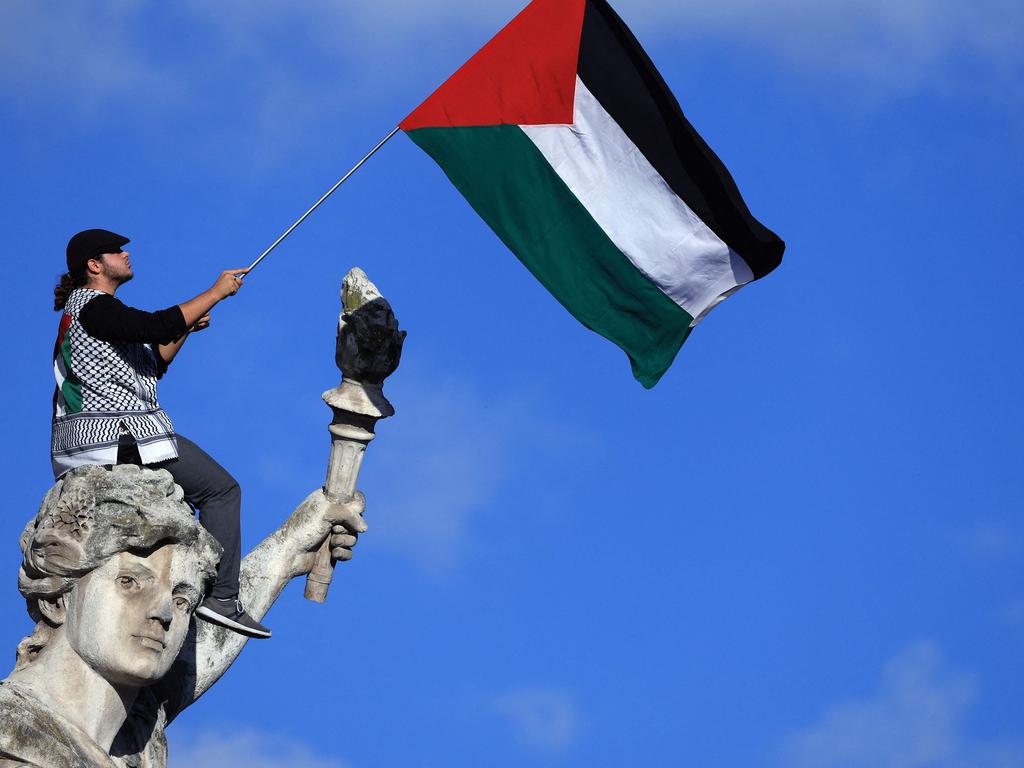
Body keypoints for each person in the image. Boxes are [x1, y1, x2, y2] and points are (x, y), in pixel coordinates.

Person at [1, 463, 366, 767]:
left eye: (182, 600)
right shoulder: (13, 738)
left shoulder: (136, 742)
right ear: (58, 598)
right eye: (130, 582)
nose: (163, 613)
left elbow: (193, 660)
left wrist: (289, 549)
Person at [51, 228, 268, 638]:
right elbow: (156, 325)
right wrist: (216, 291)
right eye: (116, 251)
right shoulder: (92, 307)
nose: (126, 254)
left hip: (101, 437)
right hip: (113, 435)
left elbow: (154, 360)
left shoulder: (101, 316)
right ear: (94, 266)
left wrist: (185, 327)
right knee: (222, 490)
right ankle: (223, 598)